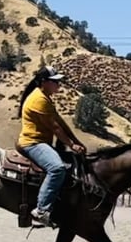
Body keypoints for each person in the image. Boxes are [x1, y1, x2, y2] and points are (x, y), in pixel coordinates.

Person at [17, 65, 87, 227]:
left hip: (41, 142)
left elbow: (61, 123)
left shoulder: (45, 97)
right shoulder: (39, 99)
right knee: (57, 168)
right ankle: (41, 211)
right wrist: (71, 144)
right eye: (55, 81)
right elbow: (54, 127)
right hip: (33, 143)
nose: (58, 85)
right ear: (44, 82)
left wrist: (76, 141)